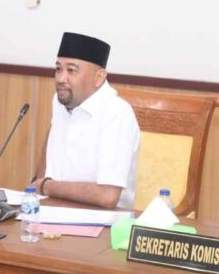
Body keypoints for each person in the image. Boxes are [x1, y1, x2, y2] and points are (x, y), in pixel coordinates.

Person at [31, 32, 140, 209]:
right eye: (58, 69)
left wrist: (46, 186)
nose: (61, 79)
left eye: (71, 70)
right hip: (53, 210)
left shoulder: (116, 113)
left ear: (99, 78)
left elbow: (107, 196)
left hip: (102, 220)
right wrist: (36, 186)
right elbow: (49, 155)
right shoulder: (60, 101)